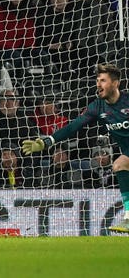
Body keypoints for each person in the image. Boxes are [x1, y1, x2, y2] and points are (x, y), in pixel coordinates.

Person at [22, 63, 129, 233]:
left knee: (120, 164)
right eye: (97, 80)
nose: (98, 84)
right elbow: (73, 126)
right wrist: (47, 141)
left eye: (103, 80)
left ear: (115, 83)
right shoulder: (97, 107)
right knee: (120, 165)